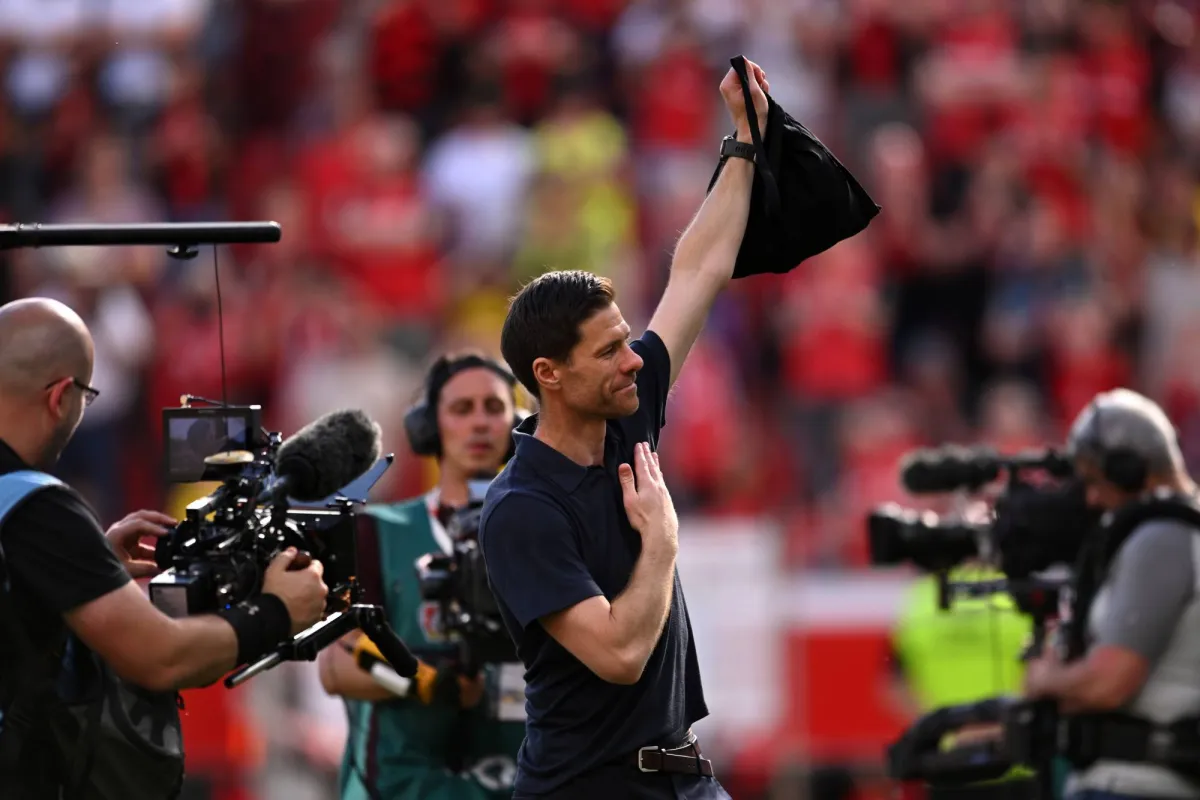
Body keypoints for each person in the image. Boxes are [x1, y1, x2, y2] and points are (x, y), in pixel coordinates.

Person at [478, 59, 774, 800]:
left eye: (626, 340)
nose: (633, 359)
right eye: (609, 350)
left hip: (684, 775)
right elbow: (619, 654)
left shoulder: (626, 416)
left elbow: (697, 272)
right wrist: (663, 539)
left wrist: (742, 143)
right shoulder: (521, 508)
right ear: (549, 374)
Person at [0, 297, 329, 797]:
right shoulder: (39, 507)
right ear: (61, 396)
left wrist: (80, 569)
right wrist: (277, 612)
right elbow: (161, 656)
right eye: (87, 395)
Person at [318, 351, 526, 800]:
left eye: (494, 408)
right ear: (429, 426)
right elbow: (338, 666)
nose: (480, 423)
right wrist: (429, 683)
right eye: (462, 408)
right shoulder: (375, 533)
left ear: (517, 424)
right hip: (399, 787)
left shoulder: (545, 536)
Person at [1023, 388, 1200, 800]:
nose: (1091, 498)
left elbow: (1110, 682)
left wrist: (1046, 679)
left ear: (1127, 469)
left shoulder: (1162, 538)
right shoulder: (1176, 531)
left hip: (1135, 785)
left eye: (1094, 480)